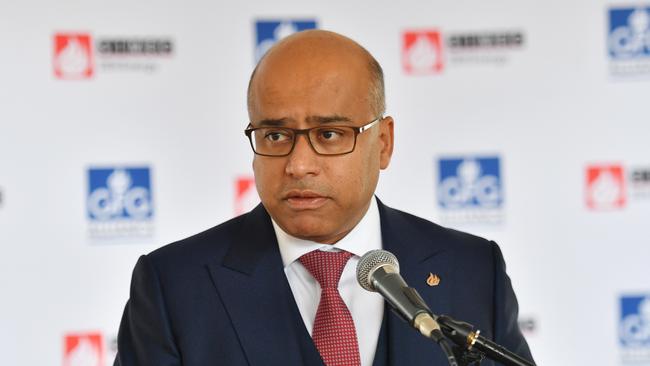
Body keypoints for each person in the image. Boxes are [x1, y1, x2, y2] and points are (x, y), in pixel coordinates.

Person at [114, 30, 534, 366]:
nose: (298, 165)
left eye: (328, 135)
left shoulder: (473, 270)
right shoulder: (175, 285)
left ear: (383, 143)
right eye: (275, 135)